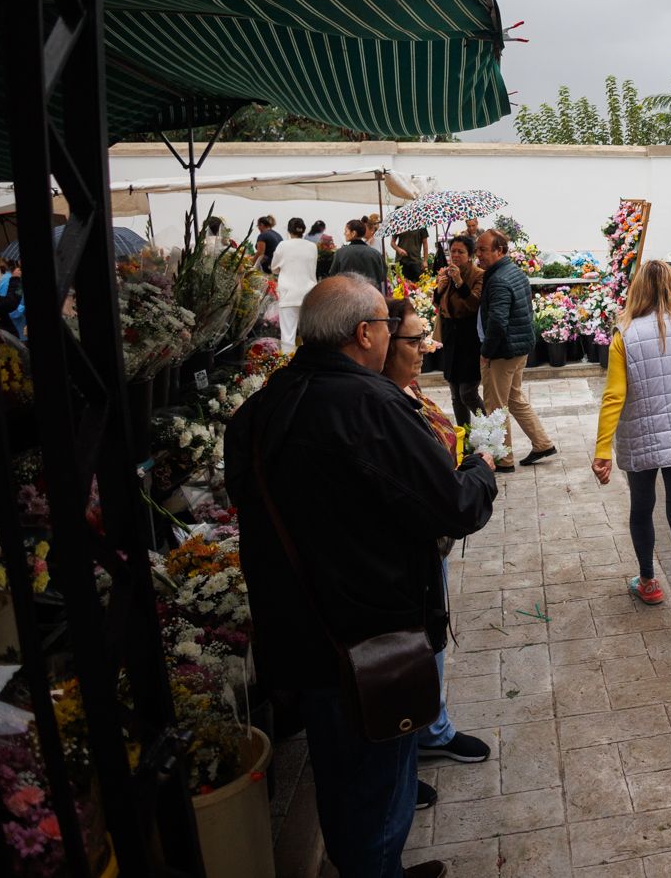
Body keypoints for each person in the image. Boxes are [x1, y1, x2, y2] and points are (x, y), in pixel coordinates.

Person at [226, 276, 498, 878]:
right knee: (371, 776)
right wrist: (480, 470)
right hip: (366, 630)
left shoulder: (267, 401)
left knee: (349, 768)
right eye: (385, 324)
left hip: (300, 624)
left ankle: (382, 866)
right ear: (365, 333)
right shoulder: (368, 404)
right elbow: (452, 505)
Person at [380, 297, 491, 767]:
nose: (426, 347)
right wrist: (474, 476)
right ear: (381, 343)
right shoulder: (383, 403)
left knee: (431, 641)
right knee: (419, 646)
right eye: (416, 339)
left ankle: (428, 730)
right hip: (407, 549)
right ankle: (423, 735)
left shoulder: (406, 391)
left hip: (428, 543)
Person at [592, 261, 671, 639]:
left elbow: (614, 396)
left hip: (642, 435)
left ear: (638, 291)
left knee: (641, 507)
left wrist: (601, 450)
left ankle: (648, 581)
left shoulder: (625, 335)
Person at [475, 230, 556, 471]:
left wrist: (487, 351)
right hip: (518, 348)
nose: (478, 254)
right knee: (515, 398)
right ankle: (542, 443)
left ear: (499, 251)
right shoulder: (512, 272)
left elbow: (498, 321)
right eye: (477, 249)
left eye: (483, 250)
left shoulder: (499, 279)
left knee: (495, 407)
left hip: (502, 352)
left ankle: (503, 459)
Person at [432, 235, 485, 426]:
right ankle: (465, 432)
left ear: (470, 255)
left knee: (468, 392)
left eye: (460, 252)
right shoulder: (446, 273)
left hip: (469, 337)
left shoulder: (478, 274)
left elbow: (473, 303)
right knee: (455, 393)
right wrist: (439, 288)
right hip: (450, 335)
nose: (455, 255)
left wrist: (459, 281)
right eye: (452, 251)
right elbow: (438, 303)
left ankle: (490, 427)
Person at [269, 218, 320, 355]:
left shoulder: (283, 245)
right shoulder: (312, 246)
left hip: (288, 295)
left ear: (289, 230)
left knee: (288, 337)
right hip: (308, 295)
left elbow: (274, 268)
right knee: (308, 336)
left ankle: (288, 367)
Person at [330, 218, 387, 293]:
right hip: (372, 296)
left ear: (353, 233)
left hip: (348, 296)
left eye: (346, 231)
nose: (344, 233)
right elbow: (383, 276)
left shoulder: (340, 253)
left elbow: (333, 275)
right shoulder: (376, 254)